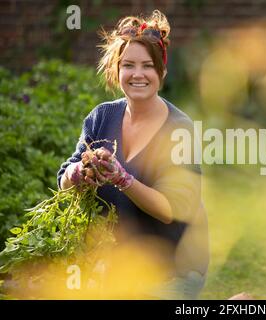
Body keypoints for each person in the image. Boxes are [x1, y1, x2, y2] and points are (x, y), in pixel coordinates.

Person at [57, 10, 209, 299]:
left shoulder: (179, 129)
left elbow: (172, 209)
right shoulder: (101, 117)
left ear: (161, 73)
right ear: (117, 71)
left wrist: (121, 178)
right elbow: (65, 177)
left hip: (172, 267)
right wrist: (76, 174)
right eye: (128, 65)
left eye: (147, 66)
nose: (138, 74)